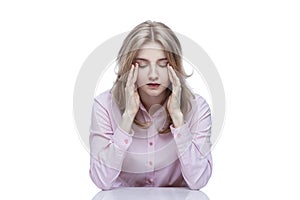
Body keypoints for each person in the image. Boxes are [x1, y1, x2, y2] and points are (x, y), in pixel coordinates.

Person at [89, 20, 212, 190]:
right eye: (142, 64)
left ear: (175, 67)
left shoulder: (197, 108)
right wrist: (127, 120)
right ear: (128, 67)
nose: (153, 74)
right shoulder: (103, 105)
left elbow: (198, 181)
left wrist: (178, 119)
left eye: (163, 64)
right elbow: (102, 181)